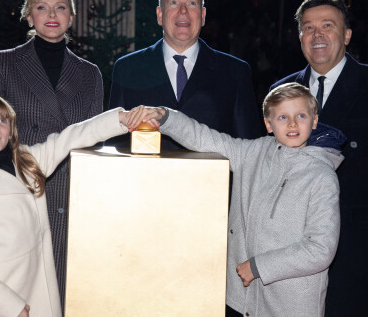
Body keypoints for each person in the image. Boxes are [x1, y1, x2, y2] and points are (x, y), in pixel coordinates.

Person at [134, 82, 345, 316]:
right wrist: (166, 118)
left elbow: (320, 249)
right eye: (283, 117)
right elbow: (207, 139)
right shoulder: (251, 153)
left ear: (314, 121)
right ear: (268, 124)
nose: (293, 123)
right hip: (242, 298)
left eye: (301, 115)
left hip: (290, 303)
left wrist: (258, 267)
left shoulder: (321, 176)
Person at [271, 0, 368, 316]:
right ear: (299, 37)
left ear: (347, 35)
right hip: (296, 240)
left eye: (327, 26)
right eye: (308, 28)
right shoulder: (281, 92)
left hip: (360, 242)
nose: (317, 35)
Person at [0, 92, 144, 317]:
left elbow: (69, 138)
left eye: (2, 120)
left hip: (38, 289)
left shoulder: (27, 161)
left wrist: (120, 119)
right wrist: (9, 306)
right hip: (0, 299)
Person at [0, 0, 103, 307]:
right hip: (19, 191)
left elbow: (93, 144)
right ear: (29, 16)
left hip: (69, 194)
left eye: (60, 7)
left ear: (71, 17)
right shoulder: (3, 62)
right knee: (19, 291)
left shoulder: (90, 74)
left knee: (63, 293)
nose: (52, 13)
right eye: (42, 7)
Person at [108, 0, 261, 148]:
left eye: (191, 3)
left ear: (203, 16)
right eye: (173, 3)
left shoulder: (235, 72)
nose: (183, 11)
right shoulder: (127, 69)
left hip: (211, 175)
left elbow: (250, 150)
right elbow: (114, 143)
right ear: (160, 15)